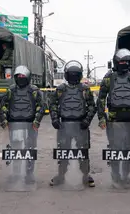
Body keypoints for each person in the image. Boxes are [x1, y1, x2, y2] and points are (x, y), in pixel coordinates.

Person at [97, 49, 130, 186]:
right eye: (122, 61)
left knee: (128, 149)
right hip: (114, 120)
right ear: (117, 62)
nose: (124, 64)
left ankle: (125, 175)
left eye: (126, 62)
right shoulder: (109, 78)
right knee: (115, 149)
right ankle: (115, 175)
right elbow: (100, 99)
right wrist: (101, 117)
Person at [49, 60, 96, 188]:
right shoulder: (61, 89)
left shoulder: (85, 90)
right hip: (64, 125)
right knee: (63, 151)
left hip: (81, 125)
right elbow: (52, 104)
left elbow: (92, 106)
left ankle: (85, 175)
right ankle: (61, 175)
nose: (74, 77)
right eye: (72, 74)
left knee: (83, 152)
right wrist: (54, 119)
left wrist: (87, 120)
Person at [0, 65, 45, 184]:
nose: (21, 77)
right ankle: (16, 173)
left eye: (23, 76)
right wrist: (4, 121)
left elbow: (41, 106)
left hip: (30, 125)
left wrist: (37, 121)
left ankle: (29, 174)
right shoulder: (11, 90)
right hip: (14, 124)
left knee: (30, 150)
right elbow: (2, 106)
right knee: (16, 150)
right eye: (19, 76)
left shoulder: (34, 91)